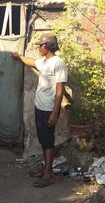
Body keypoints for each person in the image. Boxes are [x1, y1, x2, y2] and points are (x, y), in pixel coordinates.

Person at [11, 33, 68, 188]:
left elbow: (59, 90)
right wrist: (19, 56)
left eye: (40, 45)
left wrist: (55, 112)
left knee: (48, 140)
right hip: (39, 106)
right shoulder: (44, 61)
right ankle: (46, 170)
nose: (39, 48)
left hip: (49, 109)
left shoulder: (58, 63)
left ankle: (48, 175)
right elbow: (31, 62)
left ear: (47, 46)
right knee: (43, 139)